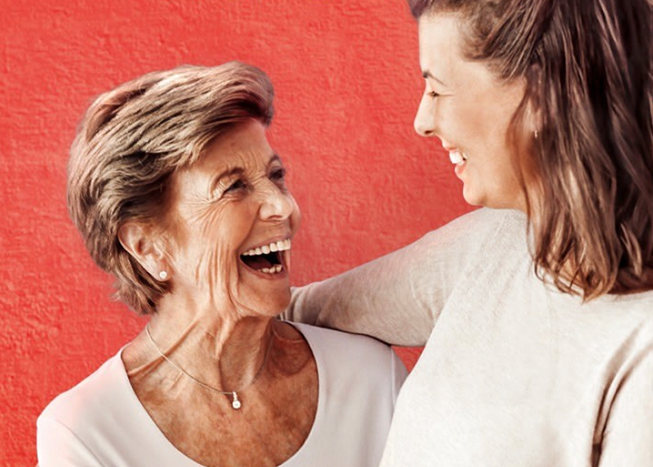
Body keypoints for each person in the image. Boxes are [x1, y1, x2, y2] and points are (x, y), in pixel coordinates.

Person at [284, 0, 653, 465]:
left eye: (437, 90)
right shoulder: (494, 242)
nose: (422, 121)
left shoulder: (641, 343)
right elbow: (299, 310)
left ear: (539, 93)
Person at [36, 62, 407, 467]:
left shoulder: (369, 379)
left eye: (275, 175)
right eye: (234, 186)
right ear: (147, 245)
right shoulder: (87, 434)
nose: (283, 206)